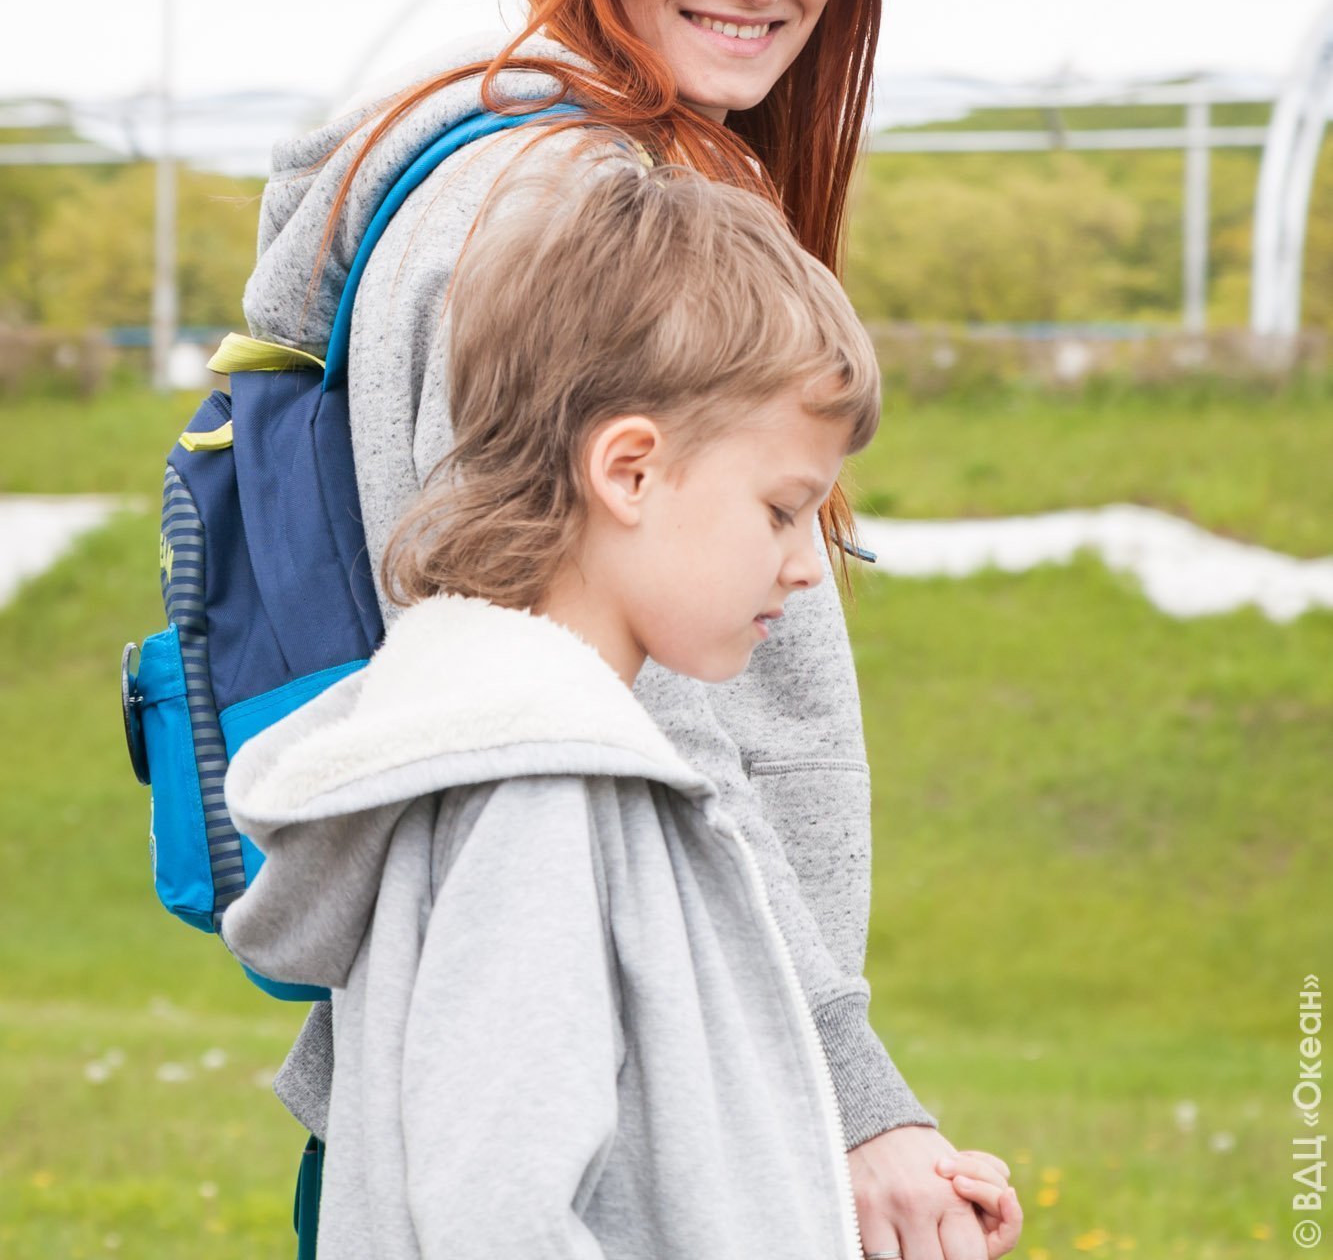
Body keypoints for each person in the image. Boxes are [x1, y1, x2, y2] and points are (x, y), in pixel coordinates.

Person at [238, 0, 1022, 1257]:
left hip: (554, 1065)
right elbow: (625, 697)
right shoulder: (564, 219)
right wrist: (851, 1096)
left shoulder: (528, 178)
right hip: (600, 1109)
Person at [222, 161, 1021, 1259]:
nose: (806, 566)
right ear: (630, 471)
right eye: (783, 510)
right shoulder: (540, 788)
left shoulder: (503, 731)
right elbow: (496, 1217)